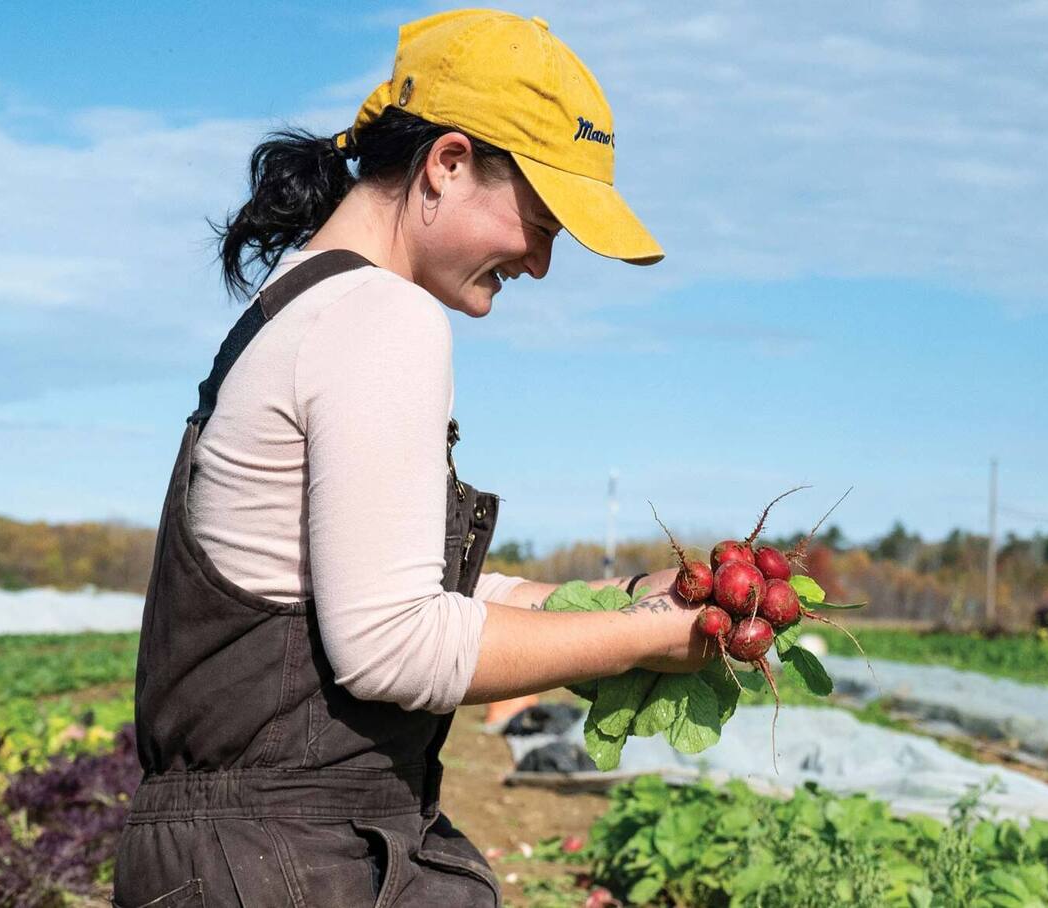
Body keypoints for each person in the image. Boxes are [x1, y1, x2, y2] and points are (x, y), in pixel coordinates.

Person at [112, 9, 708, 908]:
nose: (543, 265)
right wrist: (651, 638)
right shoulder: (380, 318)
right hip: (290, 864)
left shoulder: (299, 303)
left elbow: (383, 590)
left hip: (226, 860)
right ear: (449, 163)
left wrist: (619, 603)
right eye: (543, 220)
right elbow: (391, 645)